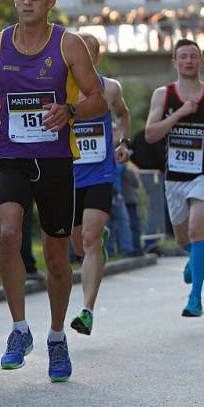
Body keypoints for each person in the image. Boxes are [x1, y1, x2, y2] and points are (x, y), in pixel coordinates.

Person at [0, 0, 107, 380]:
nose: (27, 1)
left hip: (55, 160)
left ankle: (55, 337)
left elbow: (97, 99)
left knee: (55, 254)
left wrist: (69, 110)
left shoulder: (69, 44)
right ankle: (19, 329)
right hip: (12, 155)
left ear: (51, 1)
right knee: (10, 233)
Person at [145, 38, 204, 317]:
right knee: (183, 238)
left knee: (198, 230)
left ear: (202, 61)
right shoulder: (163, 95)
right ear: (175, 62)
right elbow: (151, 134)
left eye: (193, 56)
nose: (188, 61)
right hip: (175, 176)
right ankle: (193, 260)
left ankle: (195, 299)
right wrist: (181, 114)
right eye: (183, 57)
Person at [68, 32, 131, 336]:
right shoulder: (58, 89)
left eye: (88, 51)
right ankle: (98, 241)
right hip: (67, 176)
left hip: (100, 173)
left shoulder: (110, 88)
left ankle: (87, 310)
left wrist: (124, 142)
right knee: (79, 243)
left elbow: (123, 115)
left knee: (91, 240)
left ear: (96, 57)